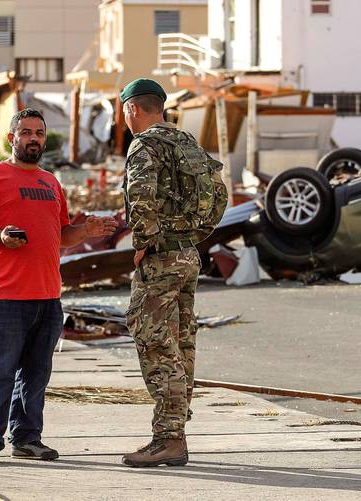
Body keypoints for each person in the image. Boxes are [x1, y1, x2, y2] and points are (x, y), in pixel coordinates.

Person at [0, 108, 118, 465]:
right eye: (27, 132)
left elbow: (61, 236)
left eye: (40, 133)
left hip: (48, 295)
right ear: (11, 139)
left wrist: (87, 232)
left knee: (35, 374)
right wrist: (0, 236)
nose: (34, 138)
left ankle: (27, 438)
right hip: (4, 295)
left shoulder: (51, 183)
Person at [119, 79, 227, 467]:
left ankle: (168, 439)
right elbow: (219, 196)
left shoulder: (144, 145)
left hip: (162, 260)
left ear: (132, 109)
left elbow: (142, 200)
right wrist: (191, 235)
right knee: (181, 344)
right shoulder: (187, 143)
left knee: (154, 341)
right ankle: (174, 432)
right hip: (187, 255)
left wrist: (143, 243)